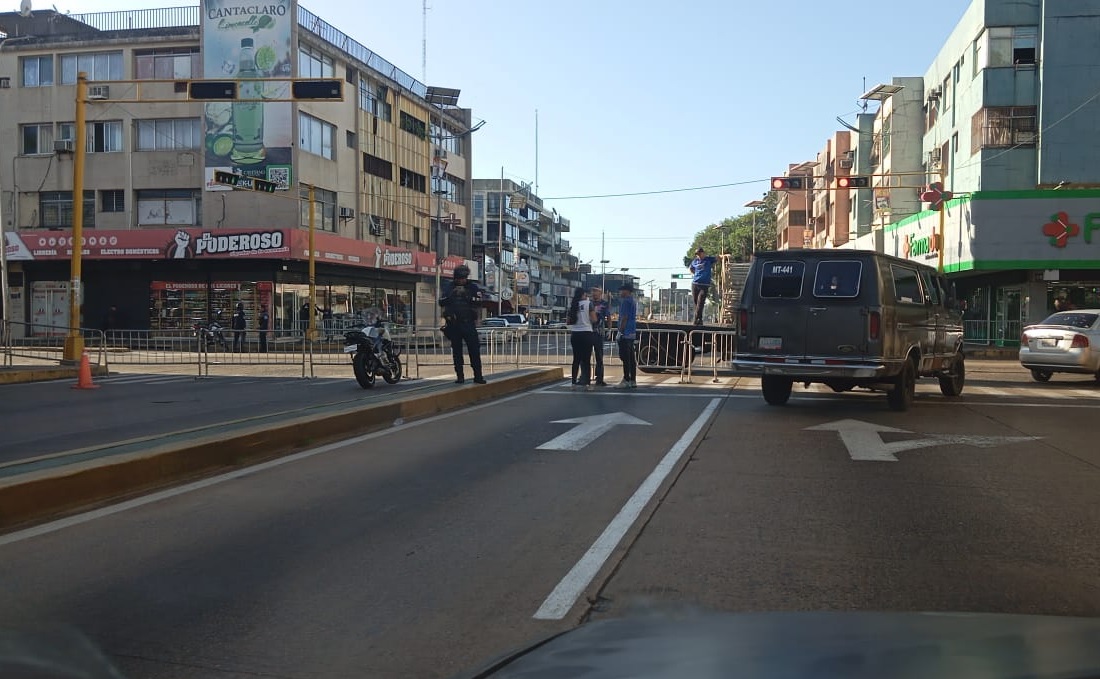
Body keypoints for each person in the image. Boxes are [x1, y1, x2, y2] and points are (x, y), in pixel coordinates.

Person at [439, 264, 486, 384]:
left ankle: (478, 376)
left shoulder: (472, 287)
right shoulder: (449, 287)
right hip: (454, 325)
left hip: (468, 323)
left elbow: (479, 302)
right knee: (457, 352)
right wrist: (453, 295)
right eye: (459, 278)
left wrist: (466, 295)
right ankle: (460, 376)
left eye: (463, 278)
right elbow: (441, 301)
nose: (461, 280)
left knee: (474, 351)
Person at [567, 287, 597, 391]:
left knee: (576, 359)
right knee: (586, 360)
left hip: (575, 334)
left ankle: (573, 383)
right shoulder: (589, 304)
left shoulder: (573, 305)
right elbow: (594, 319)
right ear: (583, 295)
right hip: (587, 333)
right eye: (586, 294)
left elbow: (568, 321)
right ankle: (587, 384)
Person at [615, 282, 638, 389]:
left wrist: (620, 332)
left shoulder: (625, 302)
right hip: (632, 331)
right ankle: (633, 380)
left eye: (622, 290)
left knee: (625, 357)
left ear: (627, 291)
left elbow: (624, 318)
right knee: (631, 358)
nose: (620, 292)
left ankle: (626, 379)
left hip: (625, 332)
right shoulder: (633, 301)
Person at [688, 247, 717, 325]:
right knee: (696, 303)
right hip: (695, 284)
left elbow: (718, 257)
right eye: (697, 254)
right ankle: (699, 319)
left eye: (700, 254)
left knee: (700, 302)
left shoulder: (708, 259)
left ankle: (695, 319)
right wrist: (693, 274)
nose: (699, 256)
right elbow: (690, 268)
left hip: (704, 285)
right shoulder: (695, 261)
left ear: (703, 253)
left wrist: (725, 255)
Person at [590, 287, 610, 387]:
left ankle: (599, 379)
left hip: (599, 333)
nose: (594, 294)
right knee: (585, 357)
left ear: (600, 293)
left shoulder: (604, 304)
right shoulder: (589, 303)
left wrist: (609, 329)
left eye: (596, 292)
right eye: (593, 292)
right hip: (588, 332)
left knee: (599, 357)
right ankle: (585, 377)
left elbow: (608, 317)